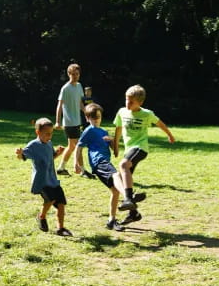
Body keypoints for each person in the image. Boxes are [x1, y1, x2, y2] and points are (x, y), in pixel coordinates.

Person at [75, 103, 146, 231]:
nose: (96, 119)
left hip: (106, 162)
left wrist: (112, 141)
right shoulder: (88, 130)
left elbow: (116, 152)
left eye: (98, 117)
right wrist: (78, 165)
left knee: (114, 191)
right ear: (87, 118)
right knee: (117, 175)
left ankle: (112, 221)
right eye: (93, 117)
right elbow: (78, 147)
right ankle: (128, 197)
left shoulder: (103, 131)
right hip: (99, 162)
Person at [113, 84, 175, 224]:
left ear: (140, 102)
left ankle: (128, 199)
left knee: (123, 165)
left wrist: (170, 135)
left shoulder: (147, 114)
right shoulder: (122, 112)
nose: (127, 103)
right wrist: (116, 146)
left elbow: (160, 123)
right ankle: (133, 213)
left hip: (141, 148)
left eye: (131, 101)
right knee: (121, 180)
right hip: (128, 150)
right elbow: (118, 129)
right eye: (126, 100)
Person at [16, 118, 73, 237]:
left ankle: (60, 228)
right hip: (42, 181)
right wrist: (20, 153)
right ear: (38, 132)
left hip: (53, 179)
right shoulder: (34, 145)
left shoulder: (49, 143)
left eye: (51, 133)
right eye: (47, 133)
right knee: (50, 199)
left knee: (61, 204)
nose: (50, 136)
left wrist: (58, 153)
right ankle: (41, 216)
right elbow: (23, 157)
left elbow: (51, 157)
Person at [55, 63, 85, 176]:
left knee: (72, 146)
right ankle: (83, 170)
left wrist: (86, 112)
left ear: (79, 74)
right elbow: (59, 105)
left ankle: (61, 168)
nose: (75, 76)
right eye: (72, 74)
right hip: (69, 122)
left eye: (76, 74)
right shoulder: (65, 88)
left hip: (77, 121)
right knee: (78, 145)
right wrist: (58, 121)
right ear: (68, 74)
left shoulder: (79, 86)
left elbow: (80, 102)